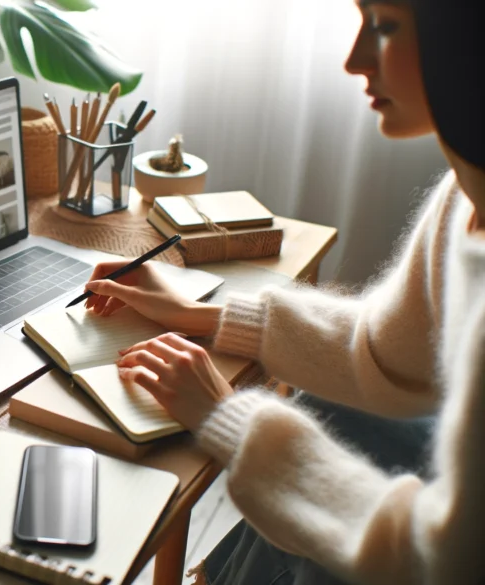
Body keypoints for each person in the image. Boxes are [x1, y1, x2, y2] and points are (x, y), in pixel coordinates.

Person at [83, 0, 484, 583]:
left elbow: (437, 563)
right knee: (330, 406)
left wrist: (228, 416)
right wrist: (200, 314)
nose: (354, 60)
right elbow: (383, 353)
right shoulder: (463, 195)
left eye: (386, 26)